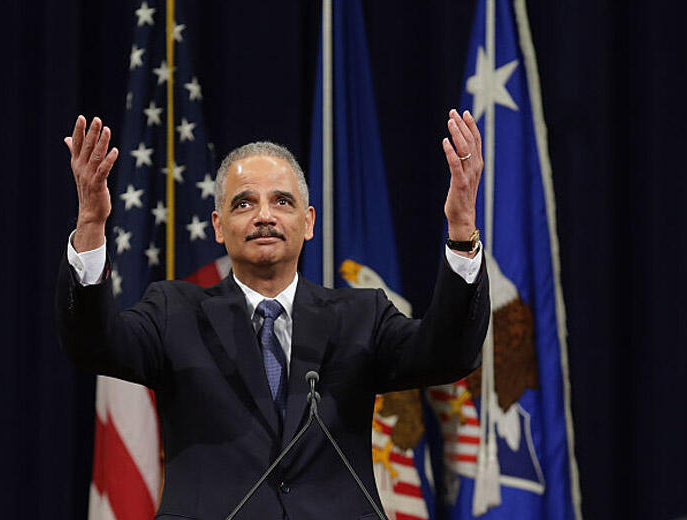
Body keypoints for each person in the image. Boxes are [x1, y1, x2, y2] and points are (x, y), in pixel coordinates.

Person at [55, 109, 490, 519]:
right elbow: (94, 344)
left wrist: (461, 231)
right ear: (218, 227)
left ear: (309, 221)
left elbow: (449, 353)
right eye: (244, 204)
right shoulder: (174, 313)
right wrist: (92, 226)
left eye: (282, 201)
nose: (264, 216)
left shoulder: (361, 315)